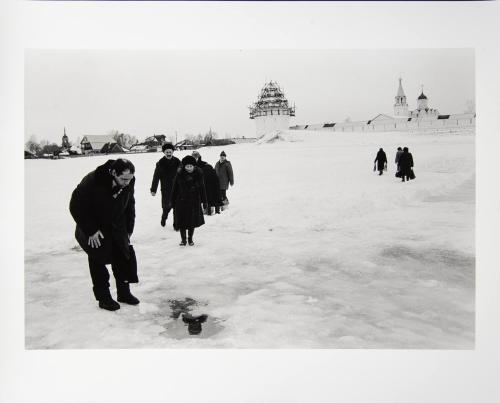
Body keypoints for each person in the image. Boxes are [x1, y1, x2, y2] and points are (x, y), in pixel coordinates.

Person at [69, 159, 139, 311]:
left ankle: (124, 293)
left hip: (117, 224)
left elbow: (130, 204)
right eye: (123, 179)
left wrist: (128, 229)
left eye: (130, 179)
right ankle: (104, 298)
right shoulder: (93, 181)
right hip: (94, 226)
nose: (127, 183)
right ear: (113, 173)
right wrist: (91, 230)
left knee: (123, 257)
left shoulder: (129, 181)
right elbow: (75, 206)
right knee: (98, 259)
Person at [171, 155, 207, 246]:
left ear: (194, 166)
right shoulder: (179, 174)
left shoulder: (198, 175)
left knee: (192, 222)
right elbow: (174, 188)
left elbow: (202, 189)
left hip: (194, 201)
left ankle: (190, 239)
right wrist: (172, 201)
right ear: (184, 166)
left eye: (191, 166)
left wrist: (205, 201)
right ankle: (183, 240)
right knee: (182, 222)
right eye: (187, 166)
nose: (189, 168)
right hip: (181, 201)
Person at [150, 143, 181, 227]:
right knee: (166, 207)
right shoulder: (160, 163)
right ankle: (164, 218)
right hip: (166, 189)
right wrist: (153, 189)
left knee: (177, 207)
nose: (168, 154)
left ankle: (176, 224)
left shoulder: (178, 162)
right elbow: (156, 177)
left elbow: (182, 174)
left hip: (177, 188)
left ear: (172, 152)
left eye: (170, 152)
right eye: (167, 152)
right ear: (164, 152)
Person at [192, 150, 222, 215]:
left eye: (196, 157)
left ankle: (211, 211)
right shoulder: (193, 166)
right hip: (203, 183)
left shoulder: (204, 165)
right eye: (194, 157)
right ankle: (208, 210)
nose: (195, 159)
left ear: (199, 157)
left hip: (208, 183)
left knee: (209, 195)